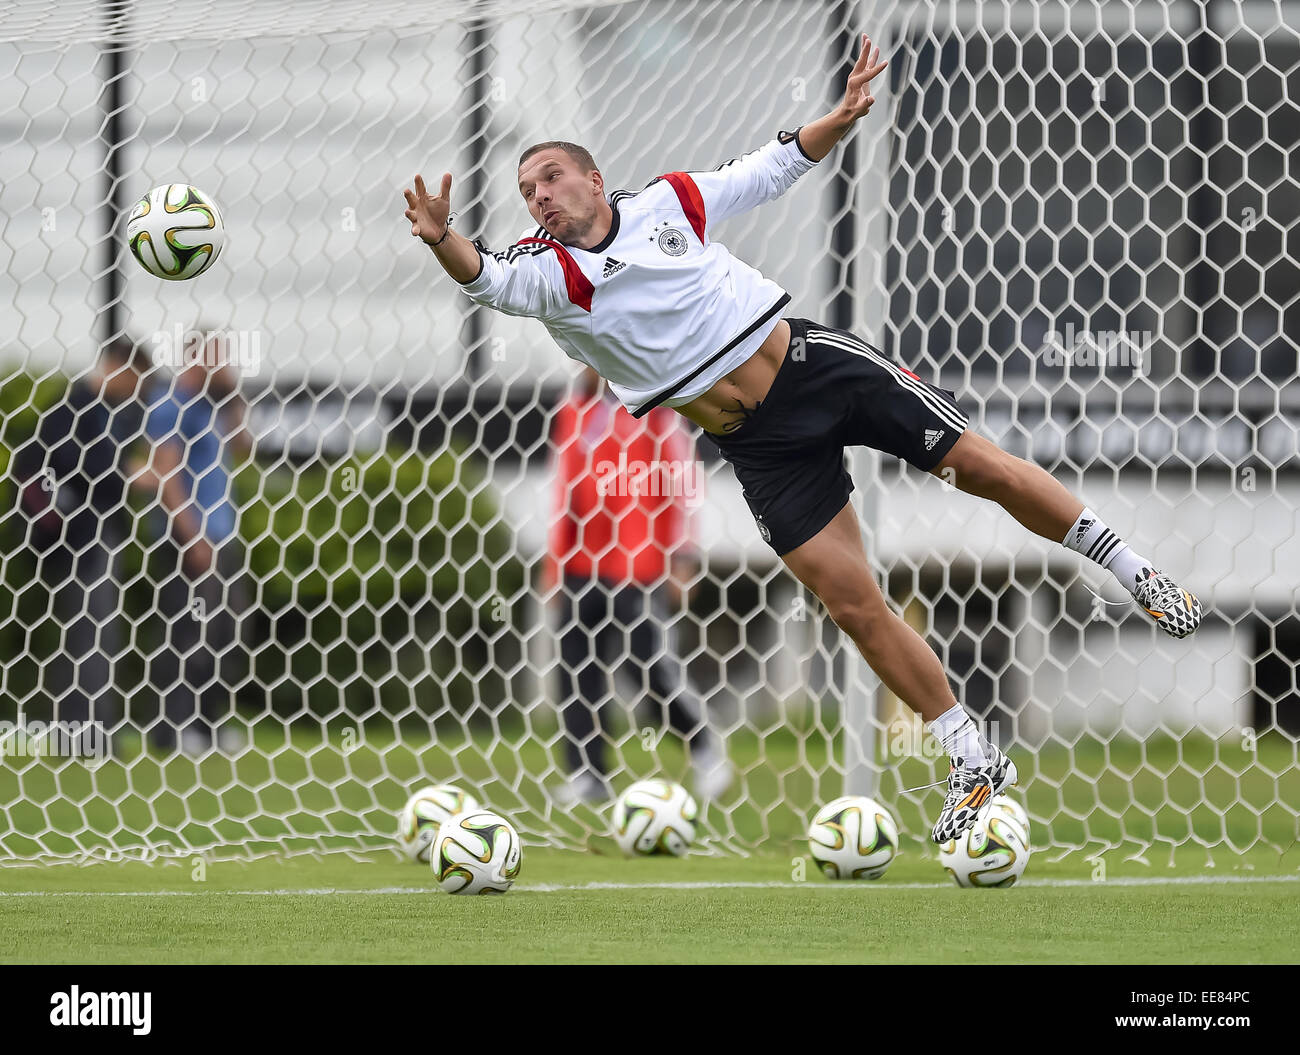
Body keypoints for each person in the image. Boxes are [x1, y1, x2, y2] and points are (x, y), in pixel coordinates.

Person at [402, 35, 1202, 843]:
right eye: (526, 188)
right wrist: (441, 237)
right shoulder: (547, 276)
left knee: (978, 466)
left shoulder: (670, 204)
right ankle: (973, 756)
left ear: (593, 178)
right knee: (853, 603)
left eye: (550, 177)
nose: (537, 196)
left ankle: (1137, 572)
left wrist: (843, 115)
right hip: (761, 449)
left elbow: (770, 167)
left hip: (817, 369)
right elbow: (488, 278)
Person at [546, 365, 731, 805]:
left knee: (646, 668)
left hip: (639, 562)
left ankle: (703, 747)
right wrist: (554, 562)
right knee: (576, 673)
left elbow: (684, 480)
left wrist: (683, 557)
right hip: (580, 563)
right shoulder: (573, 410)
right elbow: (563, 488)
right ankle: (588, 775)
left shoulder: (658, 408)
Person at [14, 337, 149, 750]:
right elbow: (70, 462)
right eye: (136, 379)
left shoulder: (101, 410)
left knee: (97, 635)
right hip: (80, 541)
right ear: (117, 368)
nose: (137, 389)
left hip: (95, 537)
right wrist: (129, 473)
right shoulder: (75, 406)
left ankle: (92, 732)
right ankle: (82, 736)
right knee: (88, 636)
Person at [135, 333, 248, 756]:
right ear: (193, 357)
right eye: (216, 357)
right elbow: (166, 473)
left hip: (224, 534)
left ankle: (208, 727)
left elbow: (245, 446)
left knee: (225, 634)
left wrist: (233, 395)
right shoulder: (169, 403)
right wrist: (192, 535)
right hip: (188, 537)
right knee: (187, 634)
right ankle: (172, 729)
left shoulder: (214, 405)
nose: (222, 364)